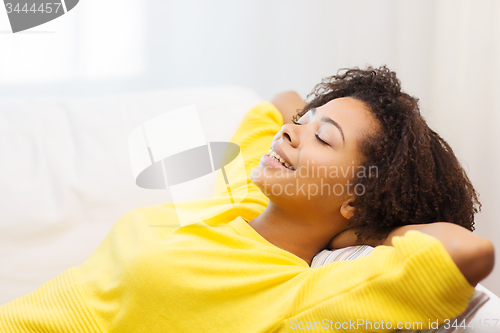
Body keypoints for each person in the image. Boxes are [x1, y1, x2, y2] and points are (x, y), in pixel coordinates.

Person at [0, 66, 495, 333]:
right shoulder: (237, 199)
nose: (290, 132)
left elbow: (466, 254)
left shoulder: (294, 296)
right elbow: (277, 104)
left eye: (325, 139)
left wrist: (380, 225)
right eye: (303, 124)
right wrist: (313, 124)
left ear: (358, 202)